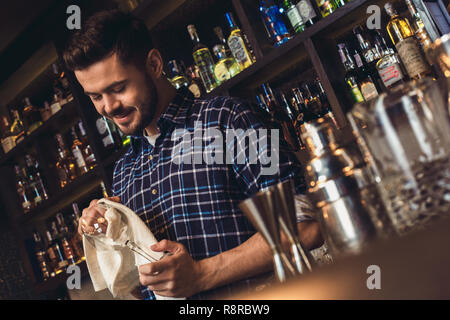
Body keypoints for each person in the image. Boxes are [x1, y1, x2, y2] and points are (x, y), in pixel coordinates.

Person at [63, 9, 323, 299]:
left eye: (118, 88)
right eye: (96, 97)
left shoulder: (229, 119)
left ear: (154, 64)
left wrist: (201, 274)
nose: (108, 107)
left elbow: (306, 224)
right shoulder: (124, 170)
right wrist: (106, 238)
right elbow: (143, 288)